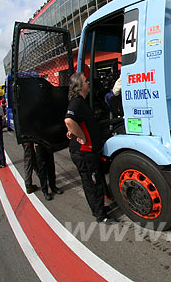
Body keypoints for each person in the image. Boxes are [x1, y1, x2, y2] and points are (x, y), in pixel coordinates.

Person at [65, 72, 116, 225]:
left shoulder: (81, 102)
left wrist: (73, 131)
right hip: (84, 153)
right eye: (86, 81)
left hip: (87, 152)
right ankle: (101, 216)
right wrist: (81, 136)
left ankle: (98, 209)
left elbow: (74, 122)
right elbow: (69, 120)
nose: (89, 83)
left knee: (93, 181)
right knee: (93, 183)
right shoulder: (77, 103)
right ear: (79, 86)